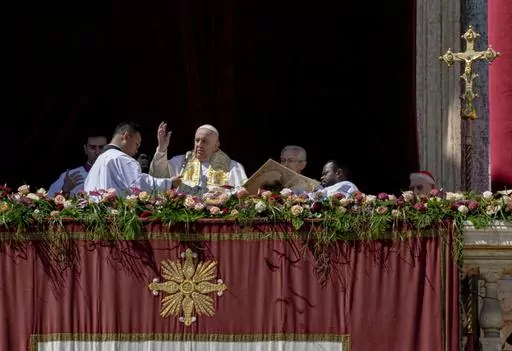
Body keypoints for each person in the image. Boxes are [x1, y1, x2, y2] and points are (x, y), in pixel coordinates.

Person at [84, 122, 178, 197]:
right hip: (115, 218)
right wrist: (169, 183)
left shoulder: (96, 164)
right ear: (126, 136)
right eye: (137, 144)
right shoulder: (121, 158)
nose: (136, 151)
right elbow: (139, 185)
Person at [149, 122, 247, 194]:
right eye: (197, 140)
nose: (199, 145)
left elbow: (243, 193)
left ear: (216, 145)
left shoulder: (233, 167)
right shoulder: (181, 161)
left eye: (204, 141)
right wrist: (162, 149)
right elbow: (158, 177)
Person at [48, 133, 107, 198]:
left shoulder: (115, 174)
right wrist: (65, 190)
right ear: (85, 149)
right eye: (92, 148)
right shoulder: (69, 176)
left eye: (101, 147)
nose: (97, 152)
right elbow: (49, 200)